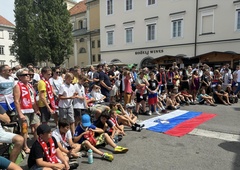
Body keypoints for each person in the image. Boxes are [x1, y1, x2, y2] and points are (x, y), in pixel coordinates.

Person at [13, 68, 41, 154]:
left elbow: (32, 99)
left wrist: (36, 109)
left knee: (37, 126)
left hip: (32, 110)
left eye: (28, 74)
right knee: (25, 130)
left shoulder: (29, 85)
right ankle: (25, 146)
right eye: (25, 75)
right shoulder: (17, 86)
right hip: (24, 111)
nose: (28, 76)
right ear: (20, 77)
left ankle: (38, 143)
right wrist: (20, 113)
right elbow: (16, 101)